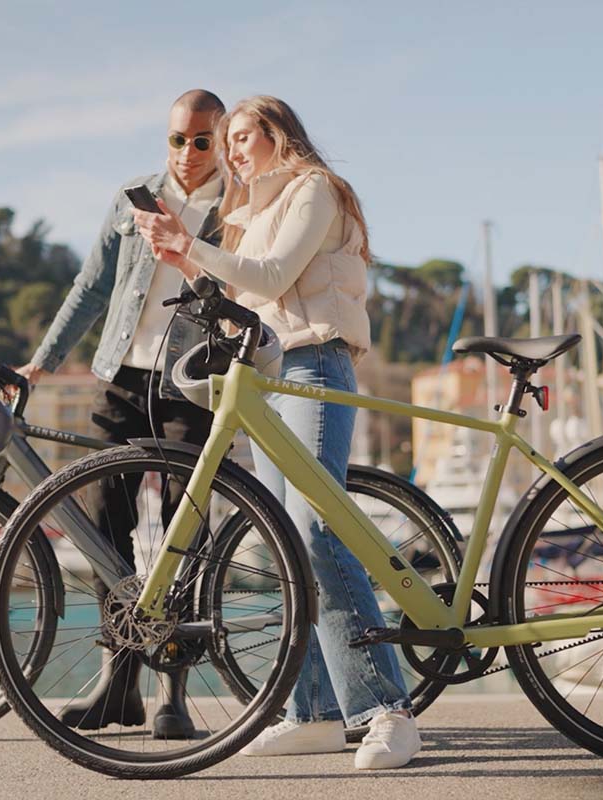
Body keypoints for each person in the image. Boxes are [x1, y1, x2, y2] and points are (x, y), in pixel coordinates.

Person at [134, 95, 421, 770]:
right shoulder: (248, 214)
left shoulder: (314, 189)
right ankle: (314, 714)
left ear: (279, 133)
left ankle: (388, 711)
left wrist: (192, 243)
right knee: (288, 542)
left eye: (242, 135)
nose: (232, 149)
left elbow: (273, 277)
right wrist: (187, 261)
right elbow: (249, 296)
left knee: (320, 528)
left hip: (314, 362)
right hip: (267, 374)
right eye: (226, 139)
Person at [15, 89, 226, 739]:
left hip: (192, 385)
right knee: (100, 523)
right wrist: (41, 363)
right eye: (176, 139)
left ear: (220, 140)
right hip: (122, 379)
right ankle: (117, 682)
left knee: (183, 530)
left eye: (201, 141)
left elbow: (243, 286)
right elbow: (91, 286)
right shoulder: (133, 195)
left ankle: (172, 692)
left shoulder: (236, 207)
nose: (187, 153)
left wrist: (189, 250)